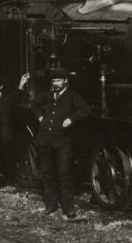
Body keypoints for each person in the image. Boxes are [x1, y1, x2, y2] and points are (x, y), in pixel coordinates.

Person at [32, 67, 90, 219]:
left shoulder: (72, 95)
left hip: (63, 141)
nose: (56, 83)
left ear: (65, 81)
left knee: (64, 173)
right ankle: (51, 205)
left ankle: (68, 208)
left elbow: (85, 109)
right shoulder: (48, 94)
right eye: (54, 80)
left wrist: (71, 119)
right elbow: (34, 104)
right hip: (45, 139)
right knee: (47, 173)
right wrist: (40, 118)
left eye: (59, 80)